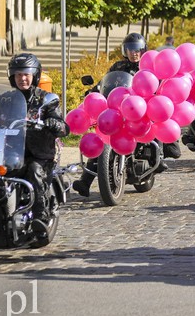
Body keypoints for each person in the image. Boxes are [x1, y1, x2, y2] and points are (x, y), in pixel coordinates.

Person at [72, 33, 174, 197]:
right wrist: (95, 91)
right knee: (102, 137)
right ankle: (85, 182)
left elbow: (156, 85)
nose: (133, 53)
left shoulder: (147, 68)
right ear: (124, 50)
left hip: (139, 110)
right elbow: (105, 83)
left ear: (143, 50)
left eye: (137, 50)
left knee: (153, 121)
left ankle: (158, 158)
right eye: (130, 49)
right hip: (117, 110)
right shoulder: (118, 66)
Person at [4, 53, 69, 237]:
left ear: (34, 75)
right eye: (18, 75)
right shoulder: (5, 99)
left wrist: (53, 124)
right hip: (12, 153)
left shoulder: (45, 99)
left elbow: (64, 127)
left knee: (33, 170)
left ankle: (40, 216)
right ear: (12, 77)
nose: (22, 78)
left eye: (26, 74)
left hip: (40, 154)